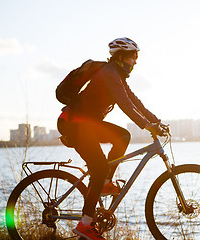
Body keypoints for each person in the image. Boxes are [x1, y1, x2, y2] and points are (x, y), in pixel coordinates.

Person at [57, 37, 164, 240]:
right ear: (122, 56)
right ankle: (85, 225)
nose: (136, 61)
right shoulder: (109, 73)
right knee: (99, 167)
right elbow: (124, 103)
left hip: (86, 125)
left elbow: (134, 100)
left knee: (123, 136)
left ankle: (105, 182)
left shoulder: (117, 76)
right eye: (134, 56)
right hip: (75, 125)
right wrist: (146, 125)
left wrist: (156, 121)